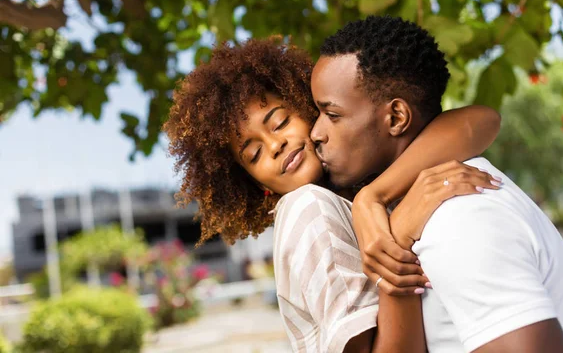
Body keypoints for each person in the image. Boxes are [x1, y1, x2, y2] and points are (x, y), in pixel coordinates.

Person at [163, 37, 501, 352]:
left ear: (308, 108)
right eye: (254, 154)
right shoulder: (310, 209)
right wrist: (398, 233)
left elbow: (481, 120)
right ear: (255, 184)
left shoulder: (355, 192)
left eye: (280, 122)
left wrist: (373, 198)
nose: (275, 144)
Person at [310, 15, 563, 352]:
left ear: (396, 118)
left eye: (332, 115)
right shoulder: (425, 207)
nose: (315, 133)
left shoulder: (458, 218)